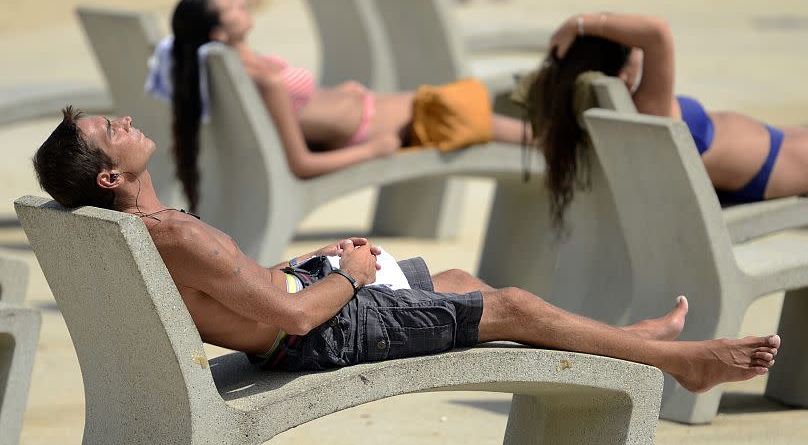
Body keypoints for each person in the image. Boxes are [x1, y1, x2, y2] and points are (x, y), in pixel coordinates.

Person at [32, 107, 780, 391]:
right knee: (511, 305)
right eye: (113, 128)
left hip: (303, 298)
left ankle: (626, 342)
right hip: (314, 334)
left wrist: (311, 263)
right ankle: (682, 364)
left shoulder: (154, 230)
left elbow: (247, 292)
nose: (126, 118)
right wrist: (352, 276)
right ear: (109, 173)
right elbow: (290, 324)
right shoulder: (175, 233)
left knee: (459, 278)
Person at [150, 0, 528, 212]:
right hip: (382, 130)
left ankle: (544, 137)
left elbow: (305, 110)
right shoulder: (261, 80)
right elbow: (301, 162)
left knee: (475, 101)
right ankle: (550, 144)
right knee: (478, 114)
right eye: (232, 6)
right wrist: (374, 150)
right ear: (218, 33)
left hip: (383, 111)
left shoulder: (238, 68)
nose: (242, 1)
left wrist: (338, 94)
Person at [520, 12, 808, 226]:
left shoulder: (617, 117)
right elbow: (658, 32)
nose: (636, 48)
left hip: (776, 152)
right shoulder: (648, 110)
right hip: (780, 164)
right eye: (629, 46)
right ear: (621, 73)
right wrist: (579, 24)